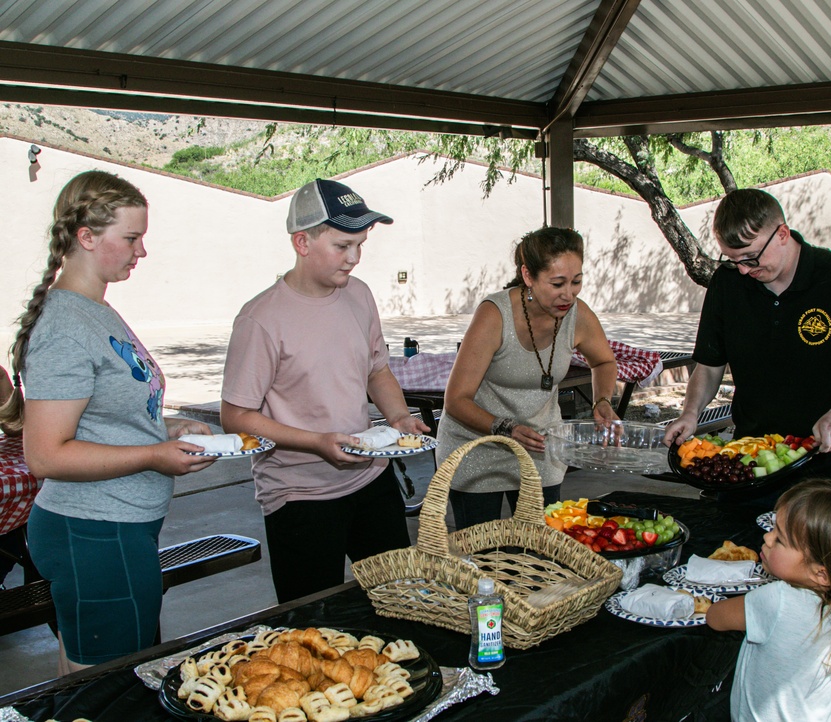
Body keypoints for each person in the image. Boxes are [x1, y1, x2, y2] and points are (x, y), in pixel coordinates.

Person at [0, 170, 217, 673]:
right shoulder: (65, 326)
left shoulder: (94, 309)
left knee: (88, 678)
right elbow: (46, 453)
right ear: (87, 237)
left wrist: (166, 430)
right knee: (107, 688)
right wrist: (152, 455)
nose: (141, 252)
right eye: (132, 238)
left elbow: (100, 419)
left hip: (117, 528)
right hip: (92, 533)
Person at [220, 178, 427, 604]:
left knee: (401, 602)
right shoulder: (260, 319)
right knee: (314, 624)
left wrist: (399, 418)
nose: (354, 259)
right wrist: (316, 443)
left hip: (371, 475)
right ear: (302, 242)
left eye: (361, 245)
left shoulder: (360, 296)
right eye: (342, 245)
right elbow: (236, 416)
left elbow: (377, 369)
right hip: (300, 493)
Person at [663, 188, 831, 484]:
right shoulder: (727, 284)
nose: (742, 269)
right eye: (732, 260)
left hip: (829, 459)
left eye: (751, 258)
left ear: (782, 233)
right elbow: (710, 365)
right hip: (750, 458)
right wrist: (691, 413)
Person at [434, 227, 618, 530]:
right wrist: (506, 427)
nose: (568, 294)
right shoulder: (495, 315)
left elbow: (604, 361)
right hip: (478, 448)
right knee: (484, 555)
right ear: (528, 276)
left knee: (542, 546)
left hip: (539, 448)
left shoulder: (578, 315)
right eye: (557, 283)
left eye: (577, 281)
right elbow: (456, 401)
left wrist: (602, 400)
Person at [706, 478, 831, 721]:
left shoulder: (776, 600)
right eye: (772, 529)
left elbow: (715, 618)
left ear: (821, 573)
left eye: (780, 539)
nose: (767, 538)